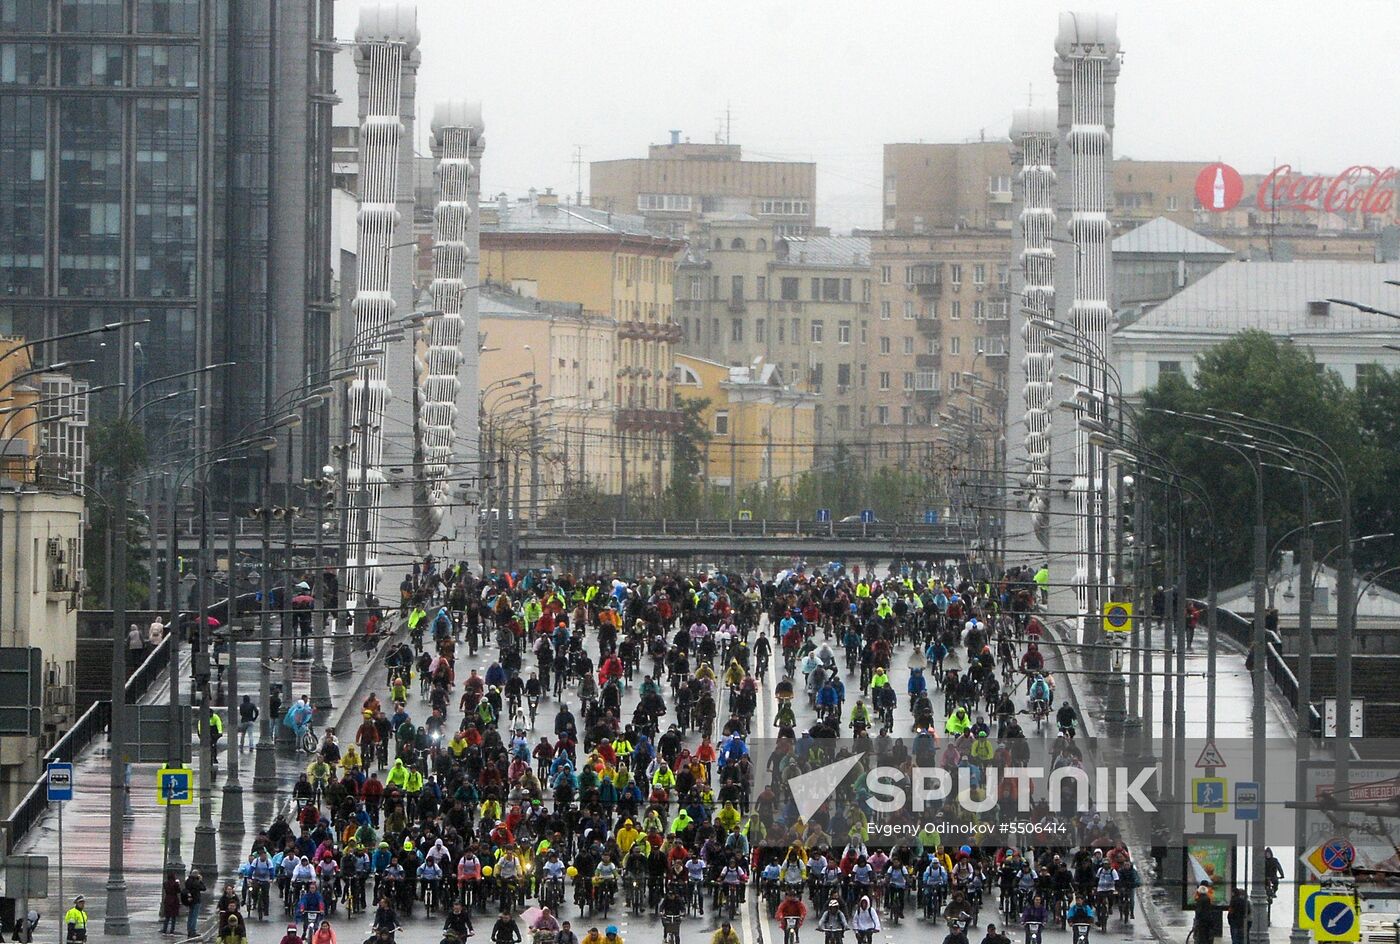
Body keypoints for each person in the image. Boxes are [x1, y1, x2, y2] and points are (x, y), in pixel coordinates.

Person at [183, 870, 207, 938]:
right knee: (194, 916)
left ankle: (189, 930)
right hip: (196, 900)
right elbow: (203, 888)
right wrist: (200, 880)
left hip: (190, 900)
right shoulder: (196, 882)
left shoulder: (188, 881)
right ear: (197, 875)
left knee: (190, 915)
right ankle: (192, 931)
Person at [161, 869, 183, 933]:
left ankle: (164, 929)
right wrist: (178, 884)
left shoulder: (165, 883)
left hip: (167, 899)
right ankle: (172, 930)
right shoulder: (175, 884)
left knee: (167, 916)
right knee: (174, 917)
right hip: (174, 900)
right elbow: (178, 891)